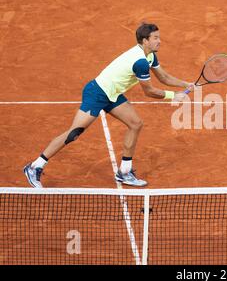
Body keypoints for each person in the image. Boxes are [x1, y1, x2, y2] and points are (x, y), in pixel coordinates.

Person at [24, 23, 192, 187]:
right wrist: (172, 96)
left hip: (112, 94)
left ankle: (124, 172)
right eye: (155, 38)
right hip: (97, 93)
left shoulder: (150, 56)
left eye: (159, 37)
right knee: (74, 133)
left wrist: (186, 84)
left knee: (135, 124)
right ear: (145, 41)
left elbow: (164, 77)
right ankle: (34, 167)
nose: (159, 41)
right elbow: (148, 91)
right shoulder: (140, 61)